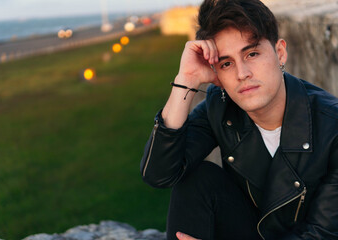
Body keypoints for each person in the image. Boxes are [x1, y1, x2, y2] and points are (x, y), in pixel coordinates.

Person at [140, 0, 338, 239]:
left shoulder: (332, 126)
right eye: (226, 63)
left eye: (252, 53)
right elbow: (160, 173)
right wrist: (186, 81)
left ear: (280, 52)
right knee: (197, 179)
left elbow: (322, 233)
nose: (242, 73)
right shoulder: (221, 107)